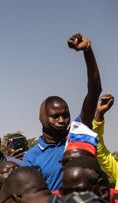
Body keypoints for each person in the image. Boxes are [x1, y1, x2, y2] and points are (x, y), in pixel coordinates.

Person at [23, 33, 102, 191]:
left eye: (65, 115)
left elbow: (94, 91)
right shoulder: (31, 157)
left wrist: (88, 52)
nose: (62, 120)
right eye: (55, 116)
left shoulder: (77, 134)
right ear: (43, 118)